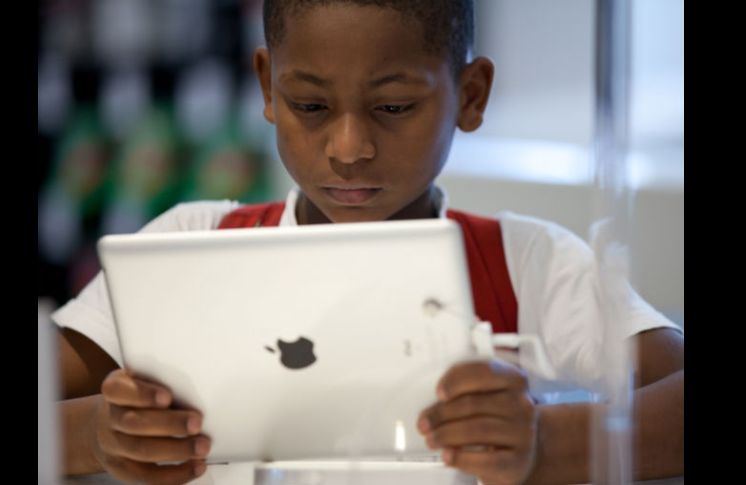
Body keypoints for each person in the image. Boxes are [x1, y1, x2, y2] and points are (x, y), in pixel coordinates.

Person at [53, 1, 684, 484]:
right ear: (268, 86)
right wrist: (95, 436)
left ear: (470, 95)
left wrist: (544, 443)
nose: (349, 149)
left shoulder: (530, 265)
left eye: (394, 107)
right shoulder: (188, 247)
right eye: (310, 104)